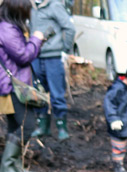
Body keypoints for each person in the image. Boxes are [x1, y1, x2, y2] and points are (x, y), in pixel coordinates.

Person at [0, 0, 45, 172]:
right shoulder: (7, 30)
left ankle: (15, 167)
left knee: (14, 125)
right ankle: (8, 166)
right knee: (28, 125)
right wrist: (37, 39)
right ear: (18, 11)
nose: (28, 14)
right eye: (27, 11)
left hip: (3, 84)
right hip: (12, 87)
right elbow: (24, 56)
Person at [29, 0, 76, 140]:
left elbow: (69, 28)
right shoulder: (31, 7)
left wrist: (65, 49)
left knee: (57, 93)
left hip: (53, 57)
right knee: (38, 92)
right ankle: (42, 126)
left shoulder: (55, 5)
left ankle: (62, 128)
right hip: (35, 56)